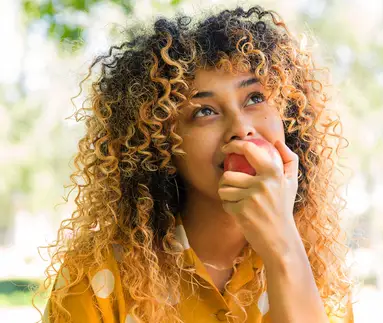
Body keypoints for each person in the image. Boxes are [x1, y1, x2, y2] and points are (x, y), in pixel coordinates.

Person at [37, 5, 354, 323]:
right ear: (162, 143)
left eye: (255, 98)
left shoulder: (314, 262)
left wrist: (283, 247)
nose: (240, 127)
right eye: (204, 111)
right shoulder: (98, 276)